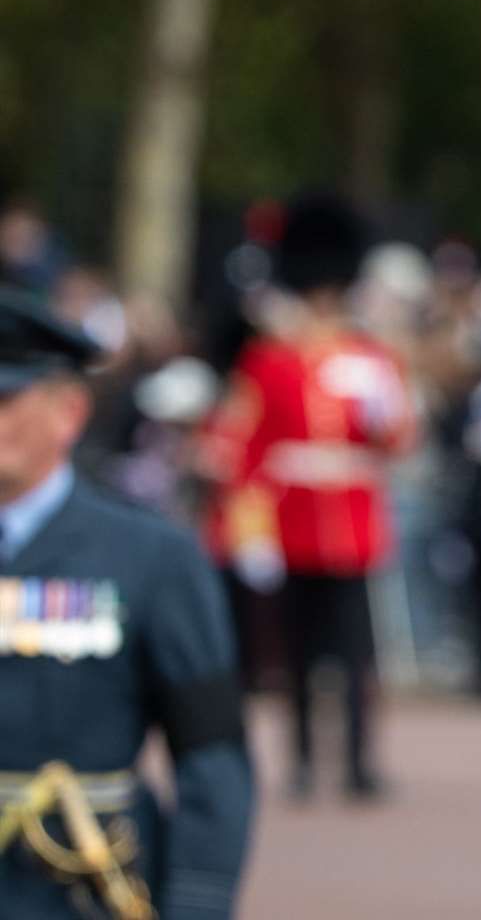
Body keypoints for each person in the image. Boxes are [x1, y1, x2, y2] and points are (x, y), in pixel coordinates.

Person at [0, 287, 252, 918]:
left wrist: (199, 900)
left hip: (76, 888)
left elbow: (212, 752)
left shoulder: (151, 556)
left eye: (6, 401)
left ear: (69, 413)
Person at [200, 195, 415, 800]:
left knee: (356, 655)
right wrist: (248, 531)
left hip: (351, 516)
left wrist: (387, 412)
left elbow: (397, 439)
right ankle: (298, 761)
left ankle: (357, 763)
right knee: (292, 655)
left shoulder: (372, 360)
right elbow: (238, 445)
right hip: (291, 516)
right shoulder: (269, 362)